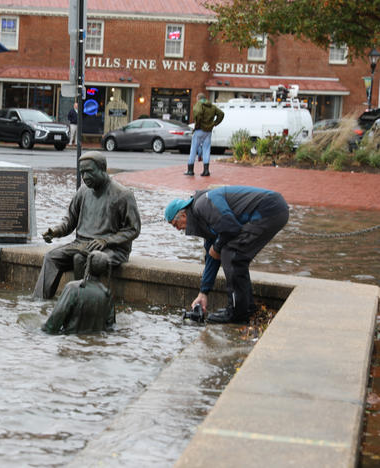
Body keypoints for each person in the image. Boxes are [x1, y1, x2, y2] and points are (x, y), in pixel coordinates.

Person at [165, 185, 289, 324]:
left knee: (231, 254)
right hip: (273, 208)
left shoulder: (203, 205)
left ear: (183, 214)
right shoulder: (202, 218)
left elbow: (230, 228)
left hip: (269, 209)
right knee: (235, 255)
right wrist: (203, 293)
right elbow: (212, 257)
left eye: (175, 224)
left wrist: (216, 248)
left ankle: (237, 313)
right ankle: (246, 308)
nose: (177, 229)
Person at [33, 151, 141, 299]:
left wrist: (106, 241)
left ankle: (80, 301)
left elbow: (133, 229)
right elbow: (70, 220)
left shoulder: (123, 194)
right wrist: (56, 231)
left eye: (89, 172)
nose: (84, 177)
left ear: (102, 169)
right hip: (82, 243)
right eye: (82, 172)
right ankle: (39, 301)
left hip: (112, 249)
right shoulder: (83, 192)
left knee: (81, 259)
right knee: (51, 257)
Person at [42, 251, 115, 334]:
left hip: (71, 341)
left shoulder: (72, 288)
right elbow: (110, 327)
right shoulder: (107, 294)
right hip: (94, 344)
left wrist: (44, 332)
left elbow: (57, 317)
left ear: (87, 265)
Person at [185, 92, 224, 177]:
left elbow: (198, 112)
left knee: (193, 149)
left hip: (199, 130)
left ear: (198, 98)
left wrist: (198, 124)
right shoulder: (212, 106)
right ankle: (206, 171)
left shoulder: (199, 104)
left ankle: (190, 170)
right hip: (208, 131)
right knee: (206, 150)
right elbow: (221, 114)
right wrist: (214, 123)